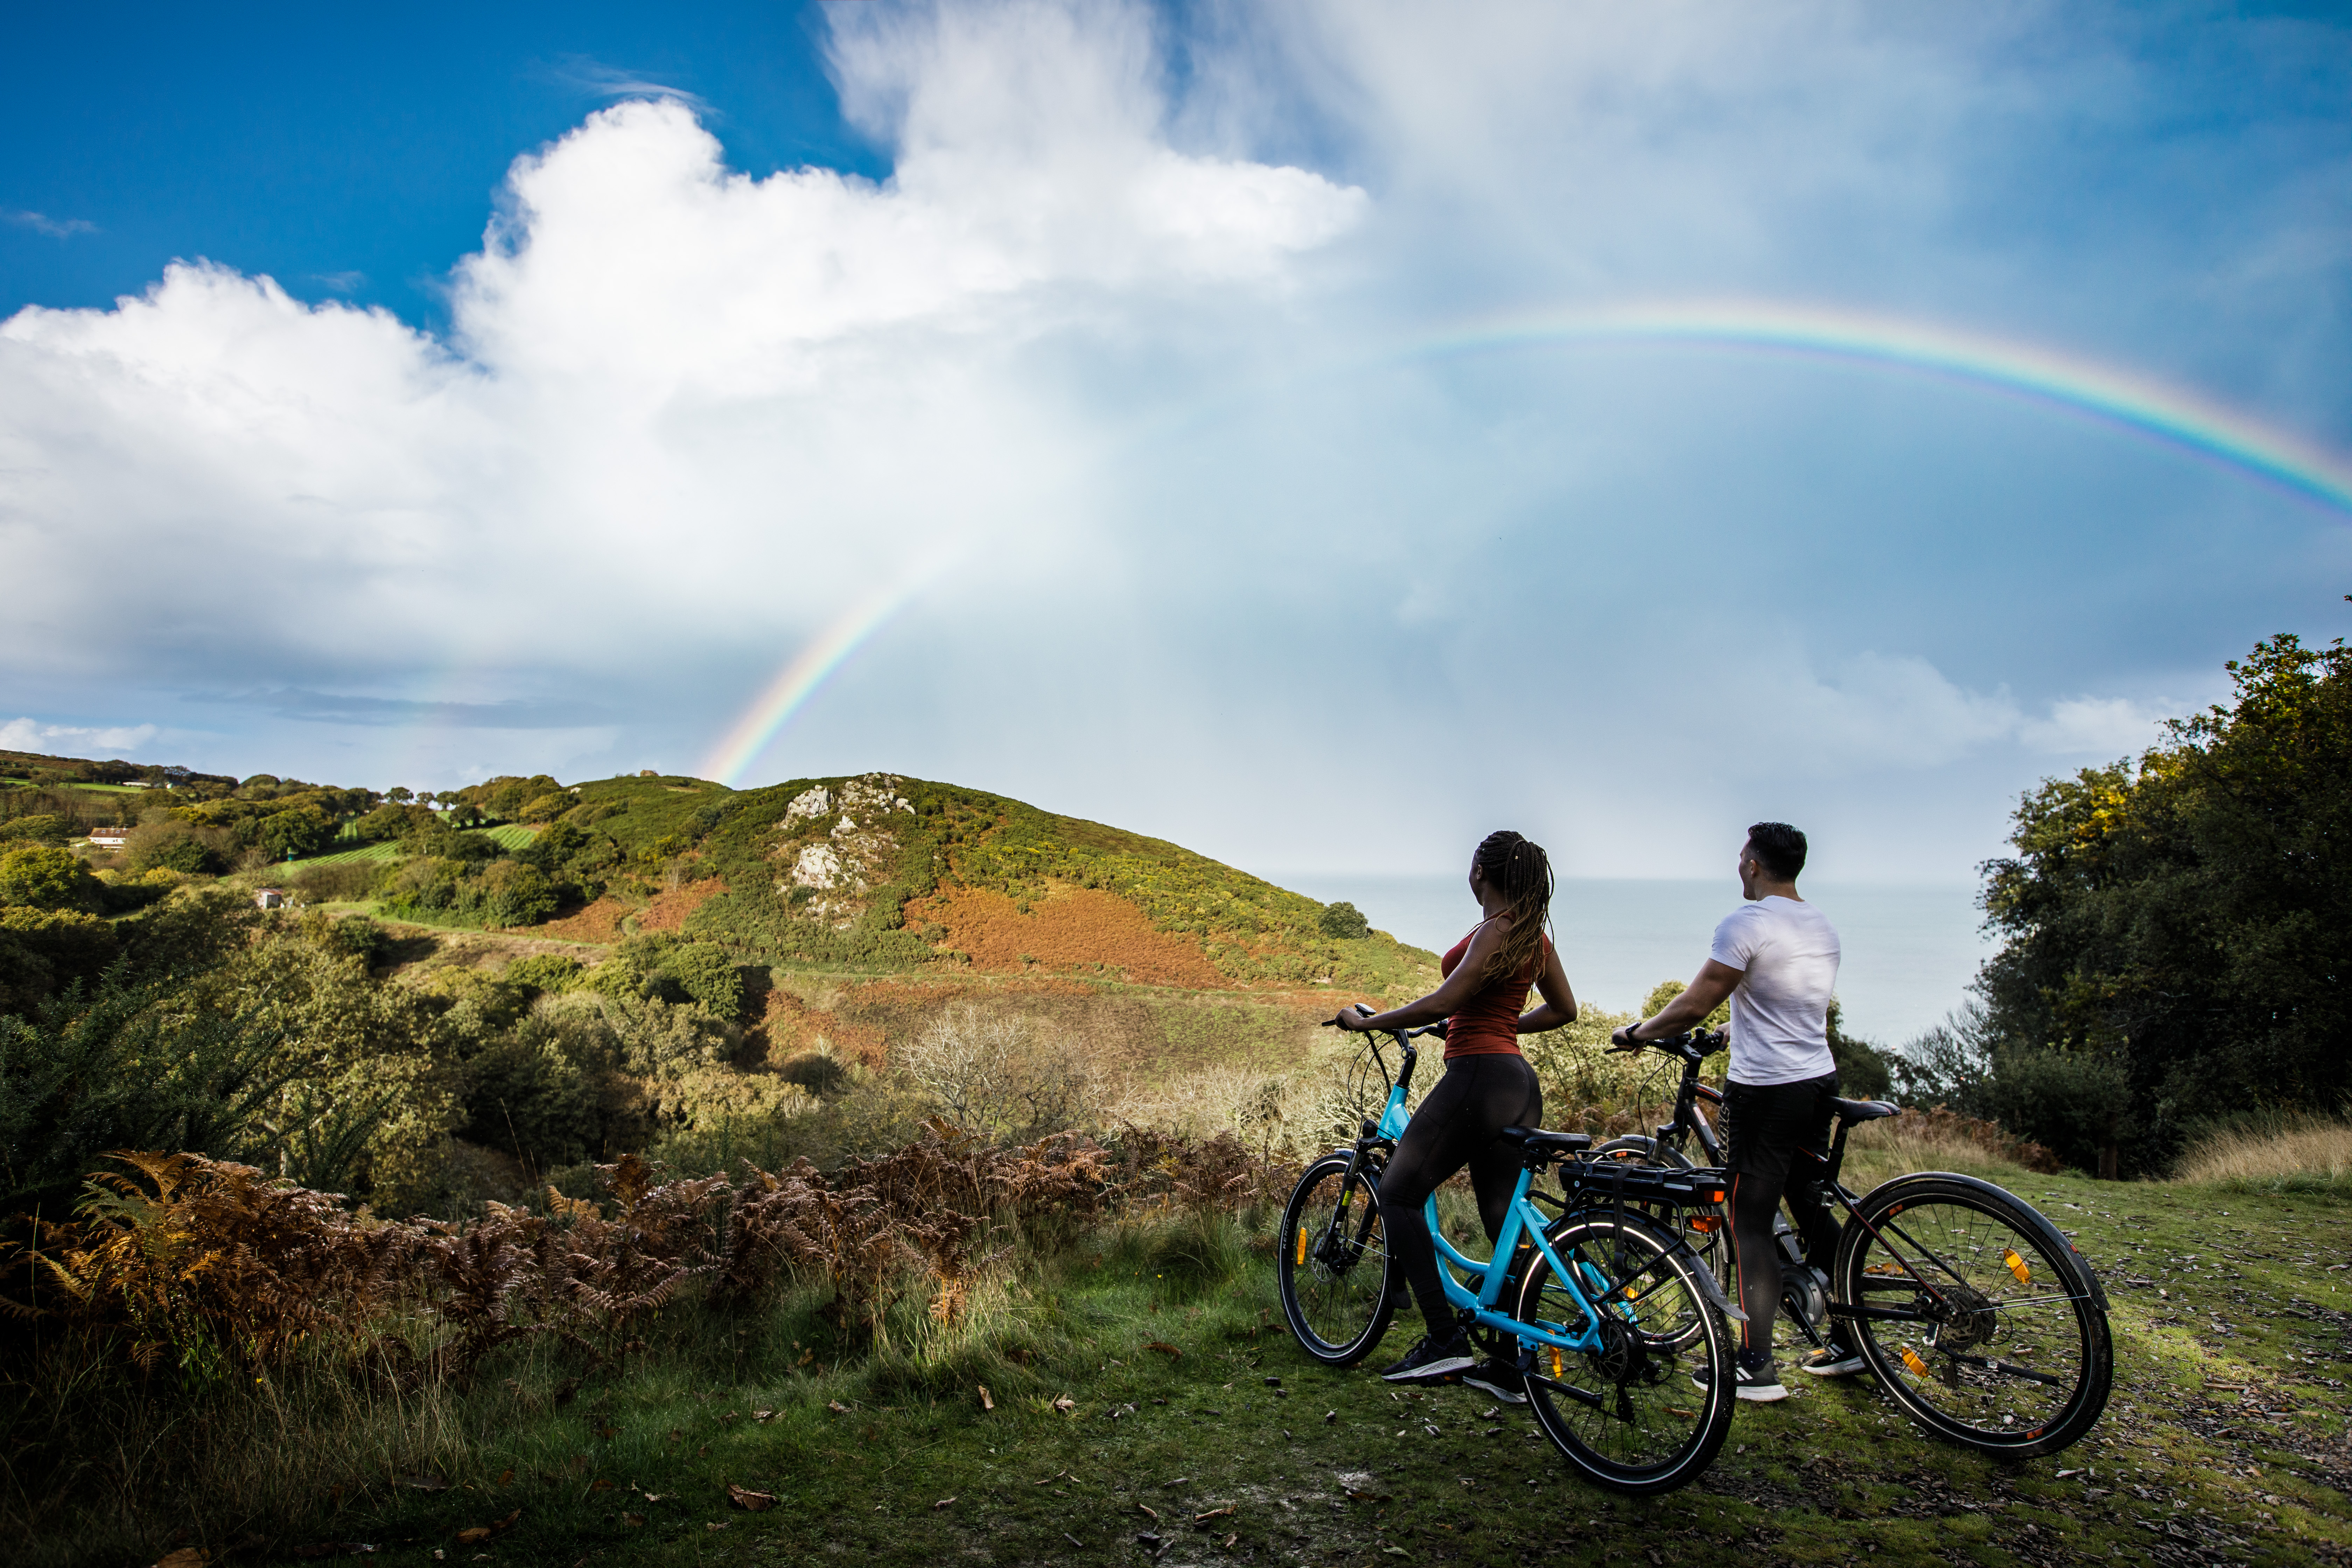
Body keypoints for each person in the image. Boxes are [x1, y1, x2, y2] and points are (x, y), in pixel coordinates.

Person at [1608, 821, 1859, 1402]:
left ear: (1753, 864)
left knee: (1748, 1221)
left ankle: (1756, 1366)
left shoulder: (1746, 922)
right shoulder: (1819, 923)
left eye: (1741, 857)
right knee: (1807, 1201)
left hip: (1767, 1091)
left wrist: (1639, 1033)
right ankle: (1851, 1339)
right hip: (1815, 1078)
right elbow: (1790, 1001)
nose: (1738, 866)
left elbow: (1694, 1001)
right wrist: (1733, 1025)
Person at [1332, 830, 1578, 1400]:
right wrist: (1497, 1025)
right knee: (1501, 1220)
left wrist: (1367, 1022)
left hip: (1479, 1077)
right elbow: (1565, 1009)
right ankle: (1515, 1364)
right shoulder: (1531, 937)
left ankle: (1444, 1339)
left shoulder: (1496, 930)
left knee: (1396, 1192)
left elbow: (1448, 998)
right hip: (1516, 1081)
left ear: (1480, 873)